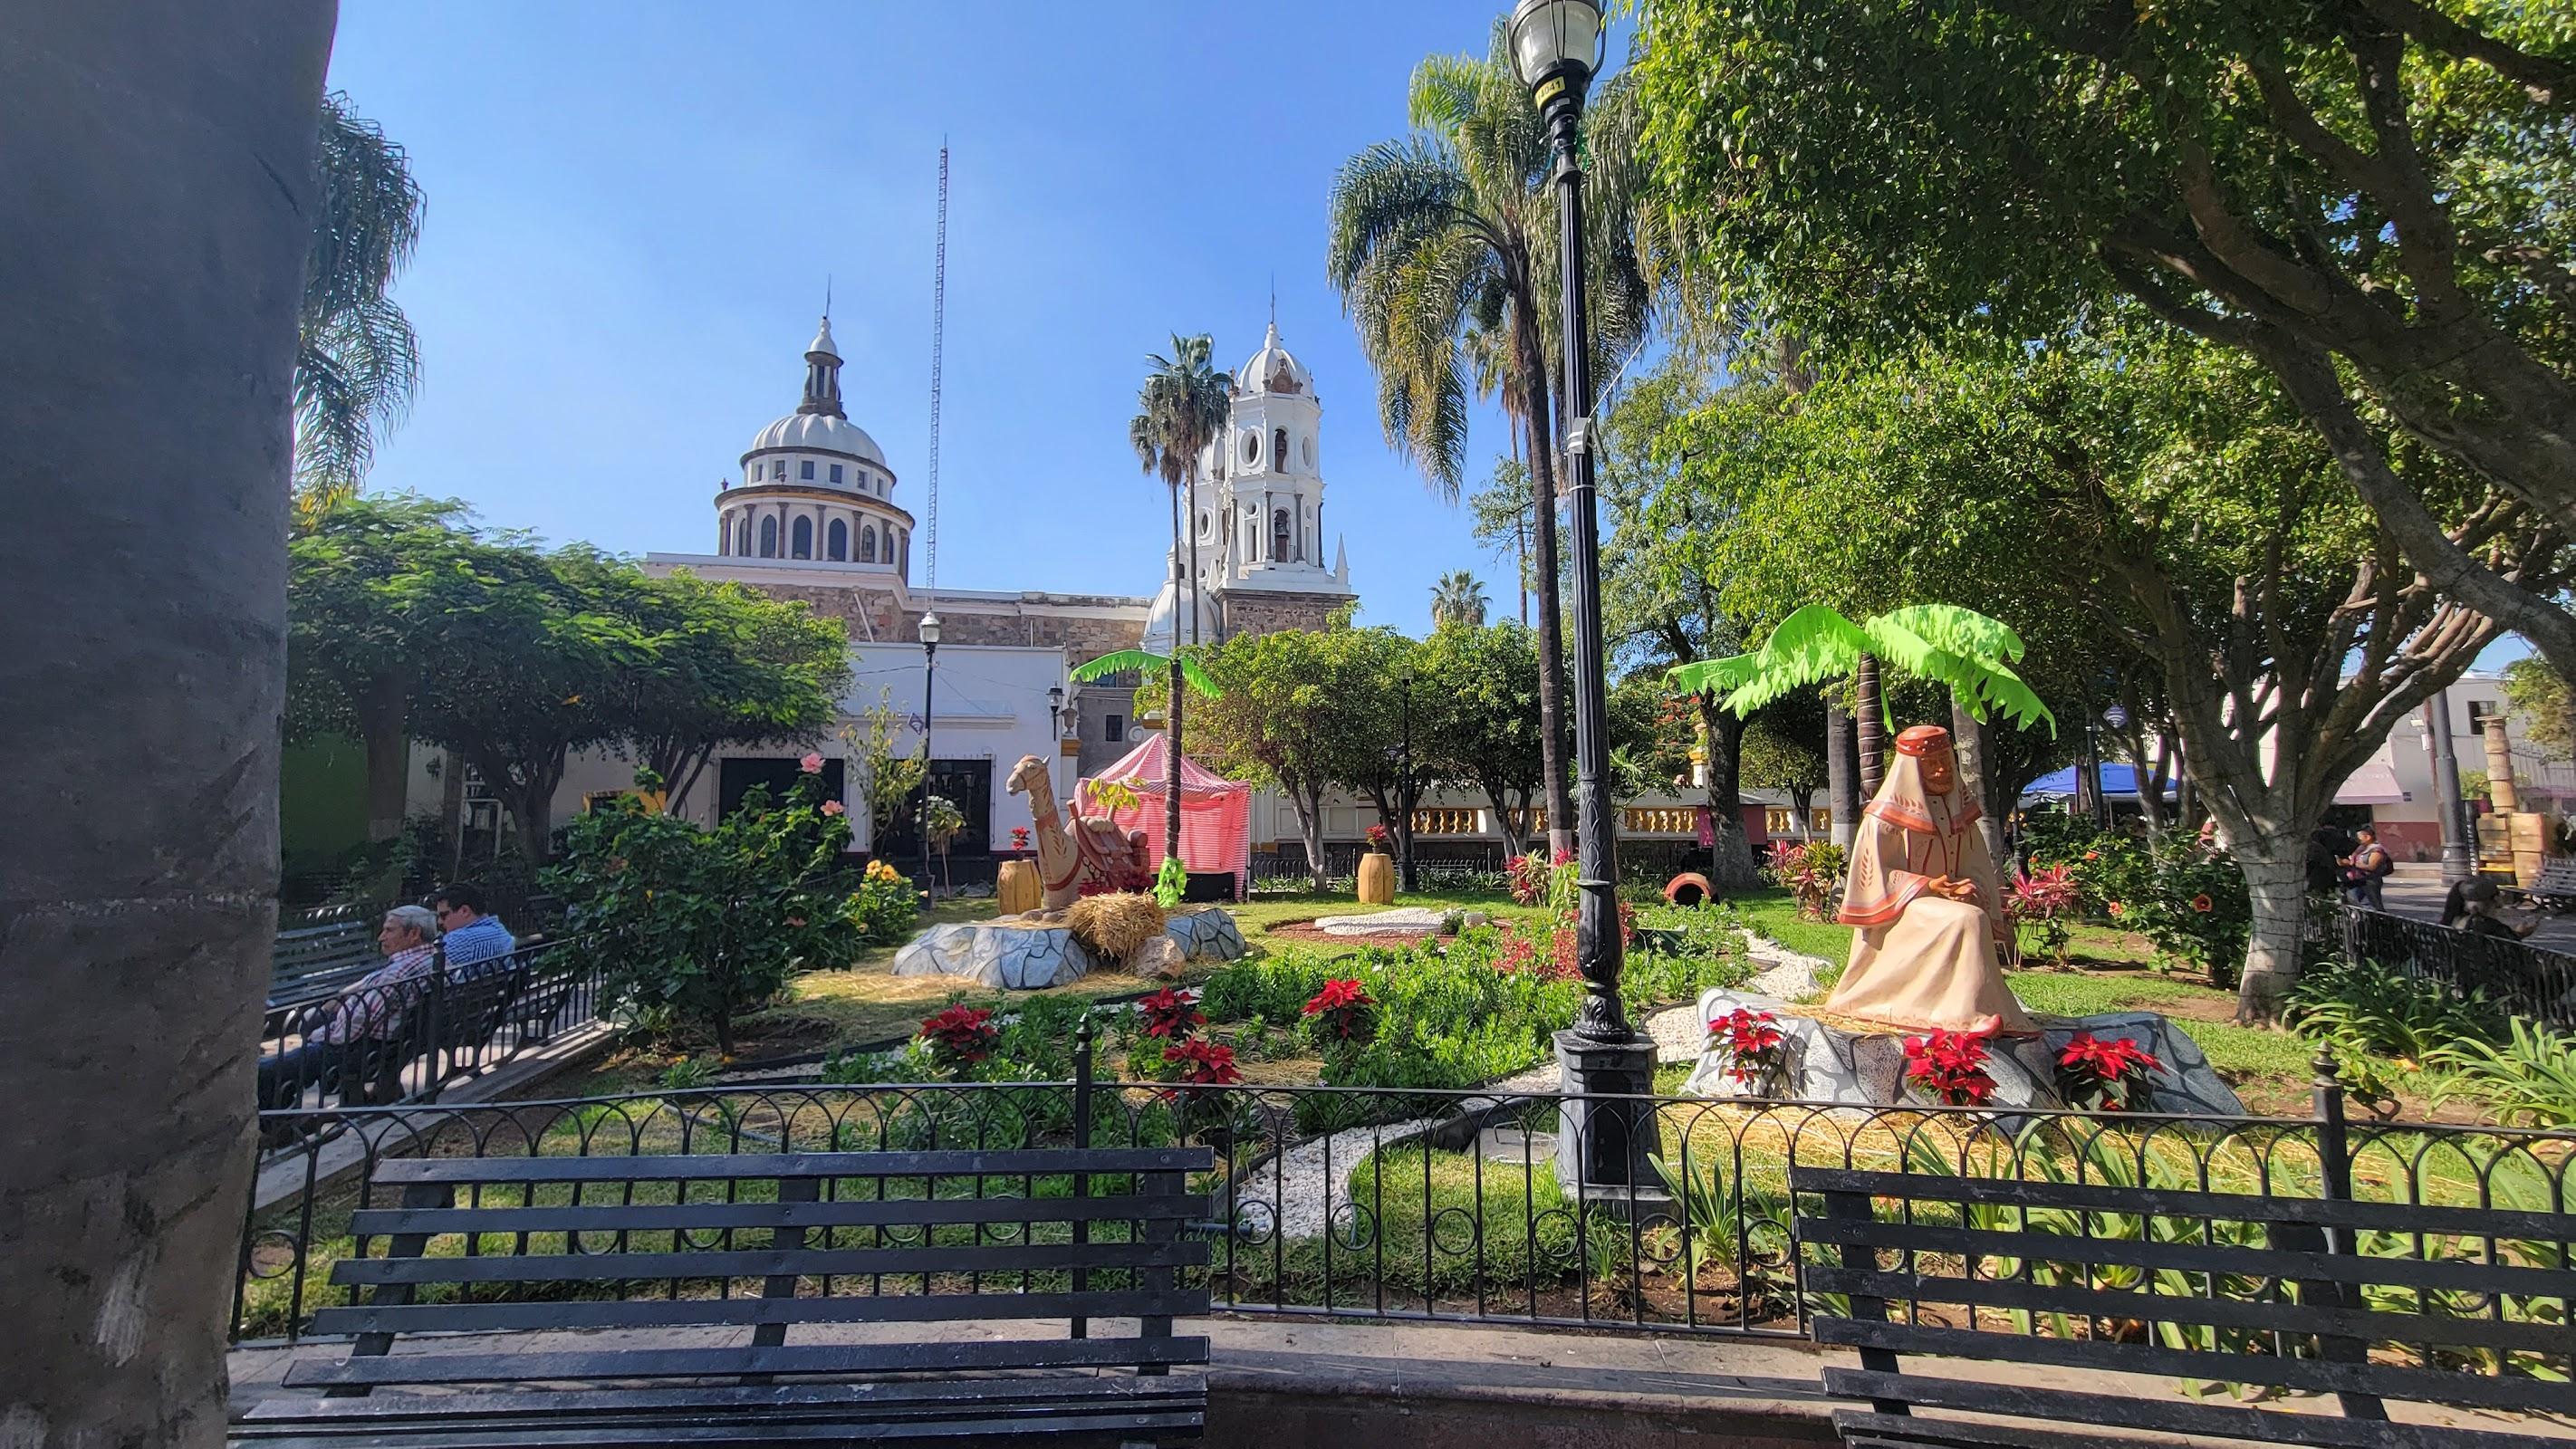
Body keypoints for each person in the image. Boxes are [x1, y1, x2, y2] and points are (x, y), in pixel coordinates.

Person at [1826, 724, 2036, 1033]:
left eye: (1945, 760)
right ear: (1912, 769)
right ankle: (1962, 1014)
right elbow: (1873, 880)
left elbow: (1975, 865)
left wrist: (1968, 887)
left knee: (1969, 913)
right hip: (1899, 910)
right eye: (1931, 763)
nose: (1942, 770)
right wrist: (1929, 885)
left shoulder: (1959, 814)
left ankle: (1980, 1006)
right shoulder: (1882, 821)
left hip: (1943, 903)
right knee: (1967, 920)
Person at [256, 905, 441, 1109]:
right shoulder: (434, 960)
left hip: (358, 1051)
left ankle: (278, 1123)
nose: (381, 937)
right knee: (304, 1033)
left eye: (389, 930)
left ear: (414, 934)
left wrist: (318, 1035)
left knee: (263, 1071)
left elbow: (350, 1030)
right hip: (391, 1046)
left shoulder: (398, 973)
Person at [432, 881, 515, 977]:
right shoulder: (500, 931)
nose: (439, 922)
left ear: (464, 911)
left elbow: (423, 968)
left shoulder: (460, 939)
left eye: (444, 915)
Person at [2341, 827, 2395, 909]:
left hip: (2370, 881)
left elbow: (2372, 867)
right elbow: (2354, 858)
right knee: (2353, 900)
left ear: (2368, 837)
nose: (2357, 839)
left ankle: (2379, 916)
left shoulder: (2376, 850)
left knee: (2375, 905)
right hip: (2358, 880)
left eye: (2359, 837)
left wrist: (2352, 864)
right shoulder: (2362, 847)